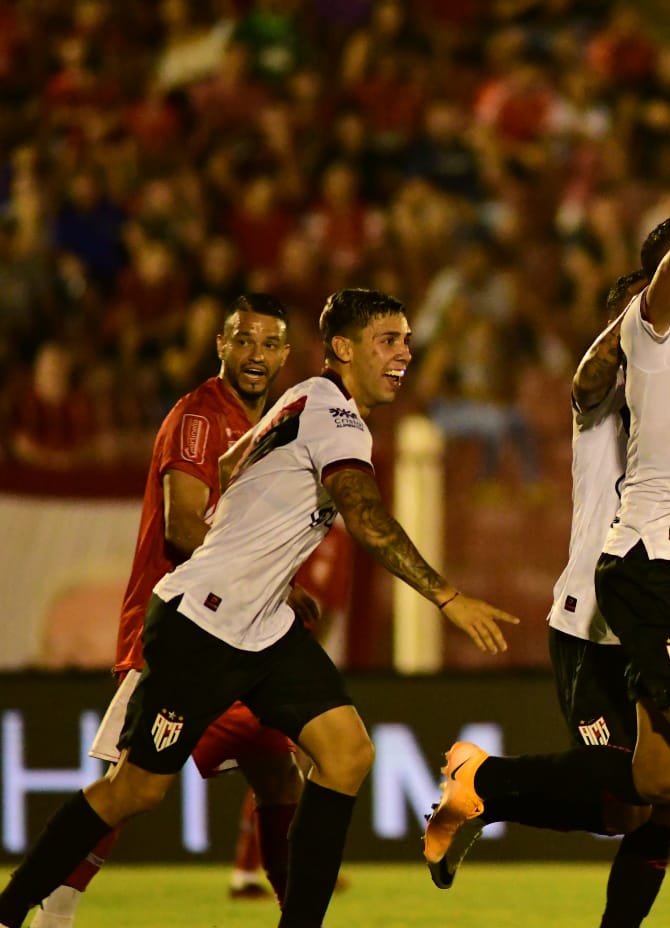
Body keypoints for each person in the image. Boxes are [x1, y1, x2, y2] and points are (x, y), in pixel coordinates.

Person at [424, 62, 670, 928]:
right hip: (621, 581)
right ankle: (479, 783)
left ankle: (481, 790)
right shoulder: (643, 341)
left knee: (652, 793)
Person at [0, 288, 520, 928]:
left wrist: (262, 556)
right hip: (201, 623)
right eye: (389, 341)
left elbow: (227, 463)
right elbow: (360, 510)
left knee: (348, 752)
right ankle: (10, 908)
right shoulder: (333, 414)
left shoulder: (297, 399)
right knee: (137, 788)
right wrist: (448, 595)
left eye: (407, 341)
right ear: (343, 349)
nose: (405, 355)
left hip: (261, 625)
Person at [33, 293, 306, 927]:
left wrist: (279, 591)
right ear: (221, 345)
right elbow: (185, 529)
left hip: (243, 635)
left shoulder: (273, 428)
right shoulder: (201, 418)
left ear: (286, 355)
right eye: (244, 341)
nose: (256, 356)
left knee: (279, 776)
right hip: (181, 633)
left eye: (269, 345)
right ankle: (49, 912)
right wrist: (273, 578)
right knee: (126, 790)